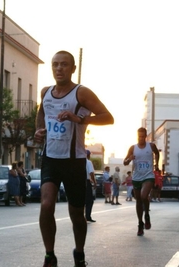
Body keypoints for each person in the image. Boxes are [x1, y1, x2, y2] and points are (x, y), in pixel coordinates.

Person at [33, 50, 114, 267]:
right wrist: (39, 130)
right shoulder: (45, 93)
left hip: (74, 161)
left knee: (77, 214)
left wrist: (79, 118)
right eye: (55, 65)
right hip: (50, 158)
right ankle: (49, 255)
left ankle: (79, 253)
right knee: (46, 205)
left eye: (64, 65)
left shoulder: (82, 93)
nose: (59, 69)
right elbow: (41, 114)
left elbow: (108, 117)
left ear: (73, 69)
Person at [123, 127, 160, 237]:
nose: (141, 138)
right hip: (136, 177)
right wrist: (129, 159)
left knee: (144, 196)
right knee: (138, 200)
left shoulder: (151, 146)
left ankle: (147, 214)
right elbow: (125, 162)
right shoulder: (133, 148)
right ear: (137, 136)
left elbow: (157, 153)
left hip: (148, 175)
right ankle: (140, 223)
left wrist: (156, 164)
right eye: (139, 136)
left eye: (143, 136)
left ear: (146, 136)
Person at [85, 150, 96, 222]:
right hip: (86, 182)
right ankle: (87, 216)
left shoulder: (78, 162)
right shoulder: (88, 162)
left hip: (77, 182)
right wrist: (94, 182)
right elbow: (91, 173)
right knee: (89, 200)